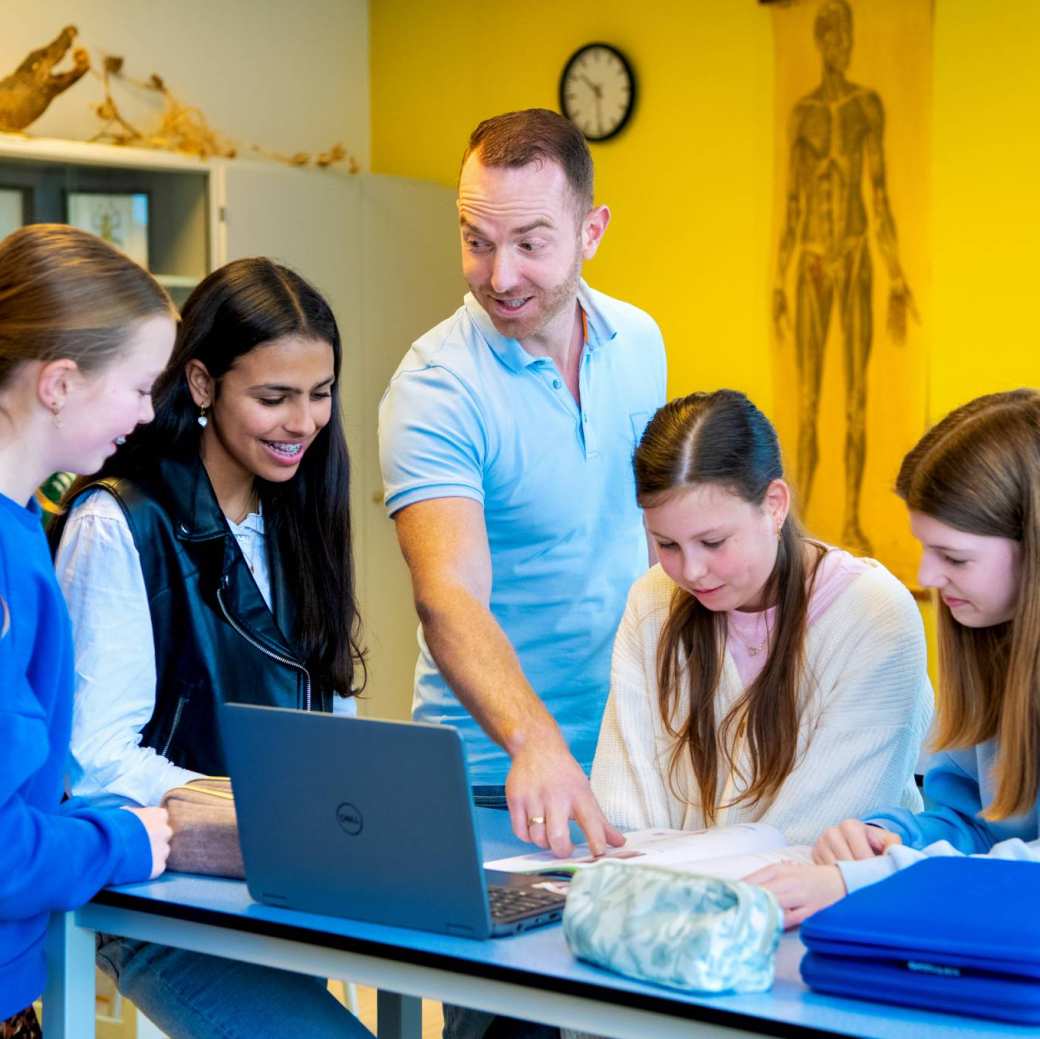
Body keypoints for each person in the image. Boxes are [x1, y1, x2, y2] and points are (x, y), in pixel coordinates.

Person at [52, 258, 370, 1038]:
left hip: (281, 879)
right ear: (200, 385)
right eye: (274, 397)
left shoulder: (297, 510)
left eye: (320, 394)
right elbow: (93, 758)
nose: (303, 423)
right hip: (160, 898)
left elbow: (329, 707)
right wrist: (265, 804)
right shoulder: (118, 522)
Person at [379, 108, 667, 862]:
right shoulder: (437, 388)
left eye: (530, 244)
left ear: (592, 231)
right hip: (494, 771)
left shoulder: (639, 341)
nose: (498, 276)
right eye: (476, 242)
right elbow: (448, 594)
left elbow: (650, 537)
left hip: (628, 756)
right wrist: (534, 742)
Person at [751, 389, 1040, 928]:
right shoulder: (993, 641)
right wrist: (893, 837)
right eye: (926, 549)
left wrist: (862, 880)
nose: (928, 578)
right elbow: (976, 826)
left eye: (955, 557)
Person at [592, 390, 932, 844]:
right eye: (667, 545)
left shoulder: (874, 614)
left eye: (713, 542)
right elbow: (623, 812)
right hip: (673, 901)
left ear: (774, 504)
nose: (690, 571)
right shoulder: (653, 599)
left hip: (824, 902)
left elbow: (815, 837)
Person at [0, 225, 174, 1037]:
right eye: (140, 386)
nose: (147, 414)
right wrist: (124, 839)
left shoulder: (26, 523)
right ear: (60, 382)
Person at [772, 0, 916, 554]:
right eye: (835, 37)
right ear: (821, 42)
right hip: (810, 261)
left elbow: (878, 195)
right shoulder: (803, 113)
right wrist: (783, 280)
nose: (843, 47)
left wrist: (898, 276)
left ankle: (852, 521)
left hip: (855, 256)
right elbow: (791, 203)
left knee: (856, 398)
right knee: (807, 403)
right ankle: (800, 525)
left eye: (848, 37)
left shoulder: (865, 107)